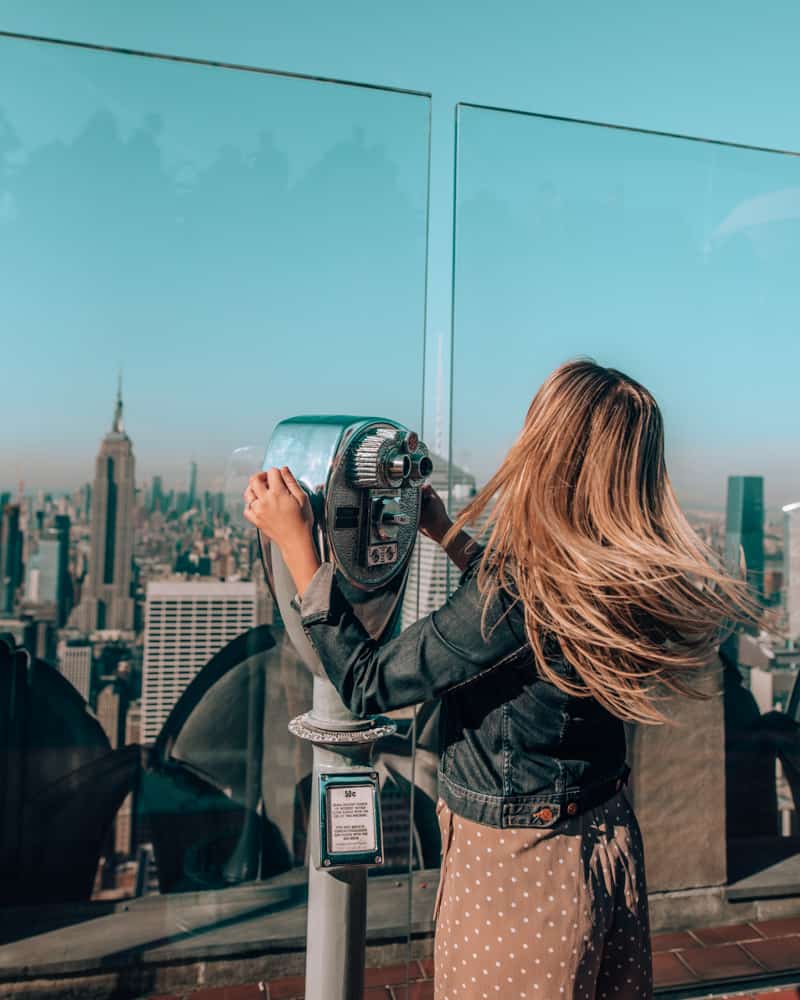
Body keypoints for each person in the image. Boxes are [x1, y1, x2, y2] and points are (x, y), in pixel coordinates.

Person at [243, 359, 758, 1000]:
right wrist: (443, 532)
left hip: (520, 870)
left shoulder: (516, 593)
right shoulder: (618, 570)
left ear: (546, 452)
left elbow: (368, 683)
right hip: (604, 844)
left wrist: (299, 545)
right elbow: (534, 621)